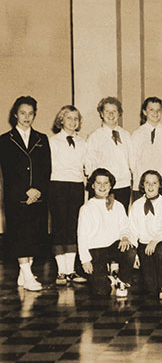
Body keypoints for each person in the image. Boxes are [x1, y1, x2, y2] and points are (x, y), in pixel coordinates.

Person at [0, 96, 51, 291]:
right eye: (22, 113)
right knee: (20, 235)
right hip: (16, 197)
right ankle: (28, 275)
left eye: (30, 113)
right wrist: (24, 191)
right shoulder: (5, 140)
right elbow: (8, 171)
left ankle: (24, 272)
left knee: (34, 235)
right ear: (15, 114)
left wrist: (38, 190)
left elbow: (46, 168)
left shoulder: (42, 138)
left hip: (38, 196)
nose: (26, 117)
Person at [77, 168, 136, 298]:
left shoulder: (118, 205)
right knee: (101, 291)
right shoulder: (86, 208)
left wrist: (125, 237)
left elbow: (125, 226)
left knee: (129, 249)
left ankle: (122, 281)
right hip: (95, 251)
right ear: (92, 185)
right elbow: (82, 237)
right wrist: (85, 260)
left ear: (111, 185)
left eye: (106, 183)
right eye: (98, 183)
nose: (102, 186)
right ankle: (108, 279)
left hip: (113, 246)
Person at [49, 105, 88, 285]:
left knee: (73, 225)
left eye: (76, 118)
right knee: (59, 226)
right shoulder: (52, 141)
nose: (73, 122)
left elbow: (86, 167)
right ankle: (61, 271)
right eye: (69, 118)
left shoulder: (82, 142)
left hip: (77, 185)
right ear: (61, 120)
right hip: (57, 184)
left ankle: (71, 270)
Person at [129, 170, 162, 300]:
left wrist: (155, 241)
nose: (150, 186)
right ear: (142, 185)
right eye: (147, 183)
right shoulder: (137, 205)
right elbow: (132, 230)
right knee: (150, 287)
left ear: (159, 185)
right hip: (144, 245)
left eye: (154, 183)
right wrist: (135, 253)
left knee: (161, 250)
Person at [85, 97, 133, 209]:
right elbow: (89, 164)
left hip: (122, 186)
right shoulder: (95, 136)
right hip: (102, 187)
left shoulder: (126, 136)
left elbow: (132, 161)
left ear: (119, 113)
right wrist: (98, 185)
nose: (111, 114)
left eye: (114, 111)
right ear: (101, 114)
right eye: (107, 111)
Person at [131, 97, 162, 200]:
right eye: (151, 110)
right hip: (141, 186)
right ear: (144, 112)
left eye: (158, 110)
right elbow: (132, 161)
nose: (155, 113)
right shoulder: (137, 134)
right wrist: (143, 180)